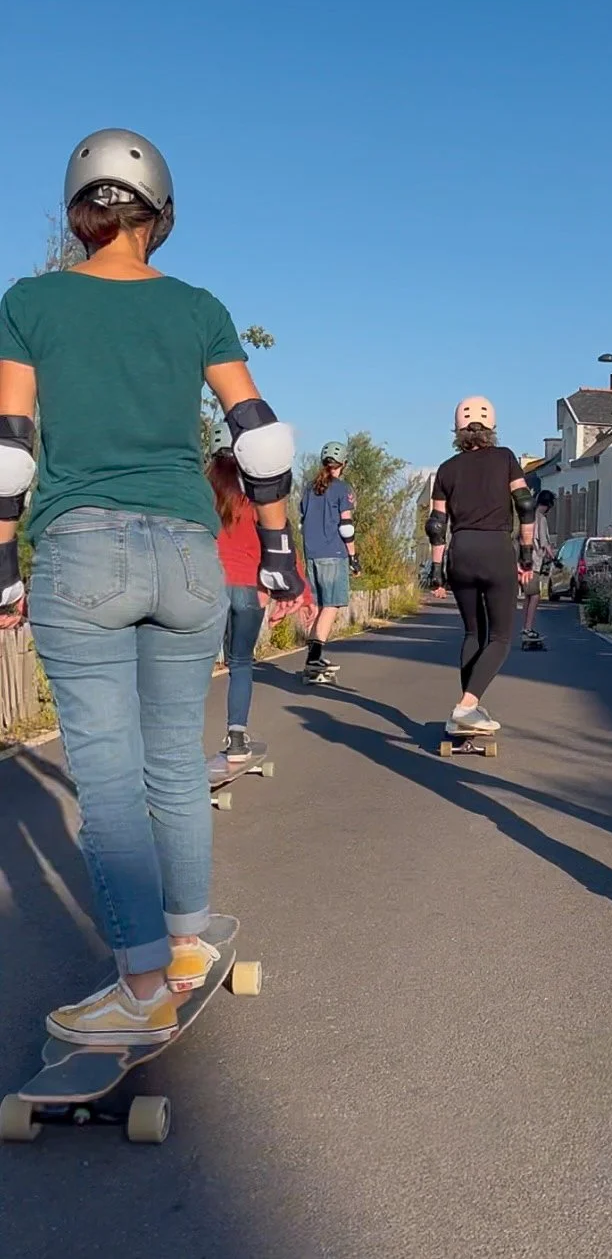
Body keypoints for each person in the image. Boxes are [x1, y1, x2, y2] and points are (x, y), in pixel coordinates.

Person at [0, 128, 305, 1044]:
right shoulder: (197, 307)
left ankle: (139, 988)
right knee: (175, 763)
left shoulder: (30, 303)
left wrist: (4, 560)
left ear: (78, 209)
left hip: (84, 550)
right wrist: (282, 548)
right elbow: (257, 433)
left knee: (105, 774)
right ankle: (181, 944)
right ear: (159, 213)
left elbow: (11, 447)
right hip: (187, 551)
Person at [427, 396, 534, 734]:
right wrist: (527, 555)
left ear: (457, 430)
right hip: (496, 551)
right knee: (501, 637)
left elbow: (436, 524)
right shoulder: (505, 459)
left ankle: (466, 712)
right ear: (492, 428)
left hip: (461, 552)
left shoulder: (446, 469)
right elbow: (526, 507)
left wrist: (436, 571)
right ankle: (467, 705)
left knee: (474, 632)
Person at [207, 422, 314, 761]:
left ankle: (177, 750)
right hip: (251, 590)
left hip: (208, 588)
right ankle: (236, 738)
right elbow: (280, 541)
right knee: (240, 663)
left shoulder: (198, 489)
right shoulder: (257, 495)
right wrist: (301, 593)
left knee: (192, 667)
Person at [300, 441, 360, 681]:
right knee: (331, 605)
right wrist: (354, 557)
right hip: (333, 553)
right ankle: (314, 657)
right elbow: (346, 526)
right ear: (343, 464)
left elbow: (304, 522)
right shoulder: (342, 489)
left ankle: (313, 656)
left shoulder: (307, 488)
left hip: (311, 554)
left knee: (317, 605)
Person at [521, 488, 556, 643]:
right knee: (535, 595)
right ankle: (527, 628)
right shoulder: (540, 518)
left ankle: (526, 627)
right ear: (548, 505)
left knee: (529, 596)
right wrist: (555, 558)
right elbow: (544, 543)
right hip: (533, 563)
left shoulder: (529, 516)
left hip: (525, 561)